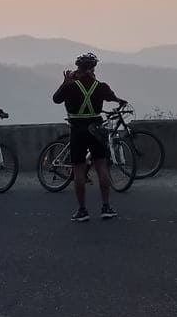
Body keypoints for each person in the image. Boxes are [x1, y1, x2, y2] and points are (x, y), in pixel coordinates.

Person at [52, 52, 126, 222]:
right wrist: (121, 101)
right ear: (93, 68)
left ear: (78, 68)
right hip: (96, 128)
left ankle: (82, 210)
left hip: (77, 129)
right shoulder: (100, 86)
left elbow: (56, 99)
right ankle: (106, 207)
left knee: (78, 169)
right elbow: (114, 98)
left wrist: (64, 82)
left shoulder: (70, 86)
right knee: (101, 167)